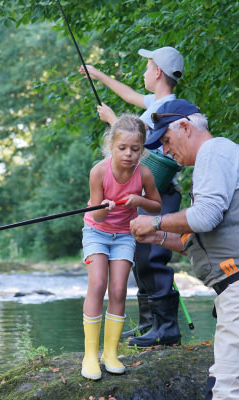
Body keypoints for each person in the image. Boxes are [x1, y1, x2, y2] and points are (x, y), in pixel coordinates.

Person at [129, 99, 239, 399]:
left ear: (186, 128)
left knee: (229, 392)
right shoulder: (215, 159)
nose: (165, 151)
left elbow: (204, 217)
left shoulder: (214, 152)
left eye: (165, 140)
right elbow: (196, 238)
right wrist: (158, 237)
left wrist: (155, 221)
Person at [79, 46, 185, 346]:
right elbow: (128, 95)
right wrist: (98, 75)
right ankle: (149, 323)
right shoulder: (157, 103)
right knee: (141, 259)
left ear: (157, 72)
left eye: (147, 65)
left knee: (152, 260)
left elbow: (141, 149)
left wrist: (114, 123)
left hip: (159, 194)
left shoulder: (169, 111)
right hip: (144, 197)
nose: (143, 72)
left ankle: (165, 327)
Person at [81, 114, 162, 380]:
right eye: (122, 148)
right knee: (97, 285)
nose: (128, 154)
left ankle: (110, 353)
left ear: (142, 148)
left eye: (135, 149)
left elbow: (157, 206)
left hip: (124, 236)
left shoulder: (144, 173)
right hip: (97, 233)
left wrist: (139, 199)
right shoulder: (99, 172)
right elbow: (97, 216)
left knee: (118, 289)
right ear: (111, 146)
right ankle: (90, 356)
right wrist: (104, 206)